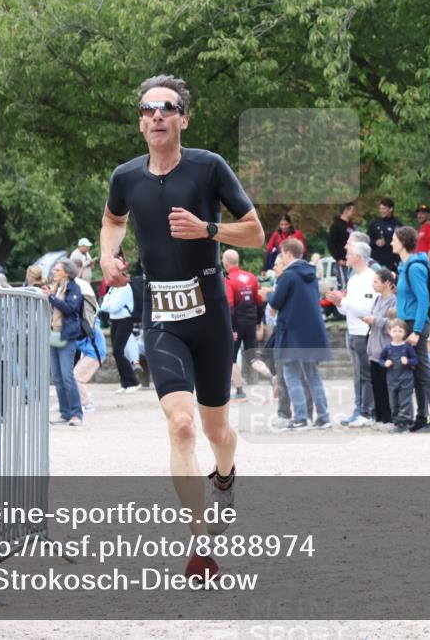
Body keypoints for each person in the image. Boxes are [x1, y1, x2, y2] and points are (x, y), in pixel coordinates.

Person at [99, 74, 264, 579]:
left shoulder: (208, 167)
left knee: (218, 430)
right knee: (182, 424)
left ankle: (225, 476)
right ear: (140, 123)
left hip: (210, 314)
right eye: (147, 109)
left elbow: (255, 233)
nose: (156, 116)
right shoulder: (126, 177)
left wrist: (208, 229)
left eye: (166, 108)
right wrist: (108, 256)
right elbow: (113, 220)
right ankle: (200, 544)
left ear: (183, 119)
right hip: (161, 316)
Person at [266, 238, 331, 430]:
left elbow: (276, 302)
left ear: (288, 254)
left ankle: (301, 417)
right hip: (313, 331)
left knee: (290, 373)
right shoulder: (311, 273)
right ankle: (324, 417)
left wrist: (267, 294)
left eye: (281, 253)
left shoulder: (288, 275)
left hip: (293, 333)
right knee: (313, 375)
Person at [392, 226, 430, 433]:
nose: (391, 242)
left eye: (394, 239)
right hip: (408, 323)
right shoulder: (404, 267)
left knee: (424, 371)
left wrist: (417, 331)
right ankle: (421, 417)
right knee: (416, 373)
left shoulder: (414, 268)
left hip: (416, 324)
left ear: (403, 242)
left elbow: (424, 300)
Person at [326, 242, 377, 427]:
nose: (345, 256)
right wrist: (339, 303)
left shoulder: (370, 278)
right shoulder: (353, 279)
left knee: (365, 374)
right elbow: (347, 309)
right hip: (353, 330)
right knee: (358, 374)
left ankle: (367, 412)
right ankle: (361, 408)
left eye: (349, 253)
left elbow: (366, 309)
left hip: (364, 331)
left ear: (359, 257)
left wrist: (343, 301)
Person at [42, 258, 84, 426]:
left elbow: (69, 308)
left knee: (67, 376)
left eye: (57, 270)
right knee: (57, 378)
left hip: (66, 335)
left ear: (67, 272)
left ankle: (76, 414)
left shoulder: (74, 287)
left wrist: (51, 298)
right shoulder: (56, 287)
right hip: (52, 335)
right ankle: (65, 413)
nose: (54, 272)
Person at [223, 249, 263, 402]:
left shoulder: (228, 279)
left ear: (226, 263)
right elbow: (259, 302)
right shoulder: (251, 277)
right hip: (251, 322)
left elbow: (230, 306)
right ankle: (273, 376)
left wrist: (232, 329)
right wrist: (258, 322)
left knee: (231, 359)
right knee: (252, 358)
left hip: (237, 324)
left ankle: (239, 392)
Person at [99, 261, 139, 394]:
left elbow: (114, 307)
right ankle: (125, 383)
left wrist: (109, 306)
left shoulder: (125, 287)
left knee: (118, 352)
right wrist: (109, 306)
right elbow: (103, 305)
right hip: (114, 321)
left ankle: (133, 382)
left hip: (125, 321)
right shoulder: (112, 288)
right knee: (117, 353)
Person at [363, 268, 396, 425]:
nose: (373, 284)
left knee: (385, 385)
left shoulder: (394, 301)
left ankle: (389, 418)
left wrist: (375, 320)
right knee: (376, 385)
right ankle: (379, 417)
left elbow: (394, 325)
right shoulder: (377, 299)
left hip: (385, 349)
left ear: (386, 283)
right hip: (374, 349)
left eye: (376, 281)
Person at [381, 319, 418, 431]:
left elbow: (415, 360)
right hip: (392, 379)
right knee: (393, 403)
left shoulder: (407, 347)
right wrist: (385, 363)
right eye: (394, 331)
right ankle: (397, 422)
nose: (397, 333)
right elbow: (380, 360)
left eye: (400, 331)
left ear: (405, 332)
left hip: (406, 379)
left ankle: (404, 423)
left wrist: (408, 361)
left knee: (405, 401)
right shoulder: (387, 348)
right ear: (389, 332)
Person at [367, 197, 402, 271]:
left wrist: (397, 261)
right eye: (380, 209)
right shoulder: (375, 223)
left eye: (384, 209)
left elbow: (401, 243)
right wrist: (376, 242)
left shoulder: (397, 224)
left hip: (390, 263)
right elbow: (367, 239)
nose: (381, 211)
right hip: (375, 262)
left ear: (391, 209)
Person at [327, 202, 355, 290]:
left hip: (352, 260)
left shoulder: (351, 226)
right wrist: (338, 258)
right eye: (352, 210)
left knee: (351, 283)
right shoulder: (336, 225)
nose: (353, 213)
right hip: (342, 261)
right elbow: (331, 243)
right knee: (344, 284)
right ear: (345, 210)